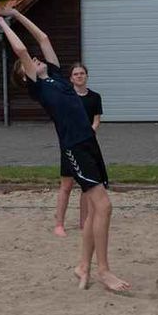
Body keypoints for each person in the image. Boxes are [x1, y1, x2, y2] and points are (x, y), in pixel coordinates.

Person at [0, 9, 131, 292]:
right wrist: (2, 23)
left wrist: (15, 12)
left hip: (89, 142)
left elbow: (43, 38)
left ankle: (83, 266)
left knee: (95, 210)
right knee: (105, 206)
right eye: (30, 64)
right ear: (26, 76)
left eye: (36, 59)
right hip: (74, 147)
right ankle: (104, 271)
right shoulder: (38, 87)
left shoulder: (55, 75)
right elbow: (21, 50)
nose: (35, 59)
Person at [51, 62, 103, 237]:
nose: (79, 76)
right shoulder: (67, 96)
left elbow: (96, 120)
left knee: (87, 186)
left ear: (86, 76)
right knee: (66, 185)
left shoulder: (95, 97)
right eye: (76, 74)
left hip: (87, 143)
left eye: (82, 73)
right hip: (70, 145)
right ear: (71, 78)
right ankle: (59, 224)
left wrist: (89, 133)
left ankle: (84, 222)